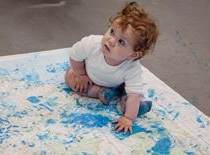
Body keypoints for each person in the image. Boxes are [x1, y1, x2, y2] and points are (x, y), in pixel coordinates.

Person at [65, 2, 159, 135]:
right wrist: (80, 74)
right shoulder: (92, 44)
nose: (111, 40)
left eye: (121, 42)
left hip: (118, 84)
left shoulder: (132, 68)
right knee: (70, 77)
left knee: (132, 97)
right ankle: (100, 92)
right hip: (89, 77)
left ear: (133, 55)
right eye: (112, 31)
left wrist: (128, 118)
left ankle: (129, 103)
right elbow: (75, 55)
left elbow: (134, 93)